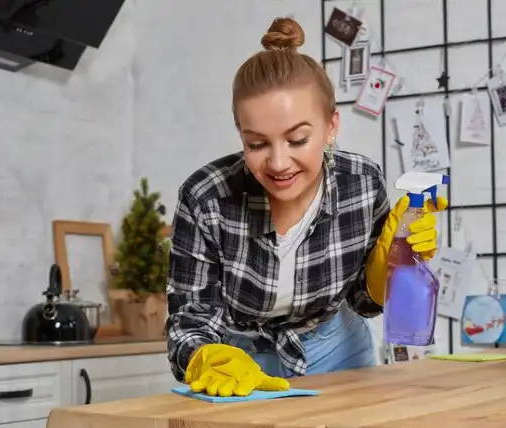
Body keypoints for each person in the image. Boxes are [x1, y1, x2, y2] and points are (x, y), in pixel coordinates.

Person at [166, 16, 448, 398]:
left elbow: (365, 303)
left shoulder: (361, 184)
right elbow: (189, 320)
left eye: (297, 139)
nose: (279, 163)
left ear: (331, 127)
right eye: (257, 144)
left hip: (340, 353)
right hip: (242, 365)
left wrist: (393, 262)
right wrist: (204, 356)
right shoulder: (206, 198)